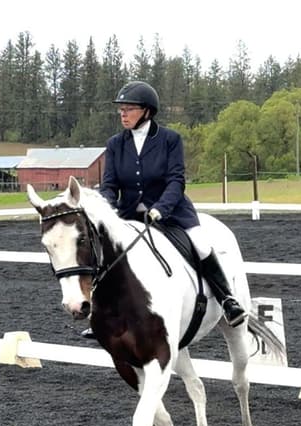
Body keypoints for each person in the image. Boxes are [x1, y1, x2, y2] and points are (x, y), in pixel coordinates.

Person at [81, 81, 245, 338]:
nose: (123, 114)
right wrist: (105, 211)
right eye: (121, 109)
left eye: (129, 109)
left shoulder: (170, 139)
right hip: (129, 214)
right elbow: (110, 185)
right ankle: (102, 314)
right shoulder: (115, 144)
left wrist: (162, 207)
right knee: (105, 254)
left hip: (171, 212)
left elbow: (176, 180)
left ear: (147, 111)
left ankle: (227, 300)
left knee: (201, 244)